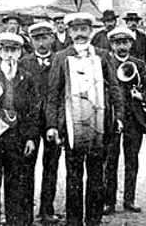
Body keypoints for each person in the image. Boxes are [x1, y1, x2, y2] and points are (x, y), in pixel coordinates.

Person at [46, 12, 124, 226]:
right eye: (76, 29)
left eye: (84, 29)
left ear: (91, 31)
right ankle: (74, 221)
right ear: (70, 32)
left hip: (99, 125)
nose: (80, 34)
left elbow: (115, 88)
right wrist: (53, 125)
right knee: (73, 177)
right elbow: (53, 94)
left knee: (97, 176)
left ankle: (93, 221)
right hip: (72, 126)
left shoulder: (103, 55)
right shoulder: (61, 57)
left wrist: (118, 116)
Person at [0, 32, 38, 226]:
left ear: (20, 53)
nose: (10, 54)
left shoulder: (26, 77)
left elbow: (33, 110)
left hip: (17, 137)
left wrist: (30, 138)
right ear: (0, 51)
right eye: (6, 50)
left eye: (14, 50)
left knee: (15, 184)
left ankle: (14, 221)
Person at [104, 26, 146, 215]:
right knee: (111, 161)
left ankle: (129, 200)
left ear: (131, 43)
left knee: (132, 160)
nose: (121, 46)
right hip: (113, 117)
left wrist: (141, 95)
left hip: (134, 118)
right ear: (112, 44)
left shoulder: (139, 64)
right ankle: (109, 201)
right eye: (117, 43)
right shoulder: (106, 62)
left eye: (125, 42)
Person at [20, 21, 62, 223]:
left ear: (52, 38)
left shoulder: (60, 61)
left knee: (51, 166)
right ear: (31, 41)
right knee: (26, 167)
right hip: (29, 123)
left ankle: (47, 210)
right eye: (37, 39)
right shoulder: (24, 63)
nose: (41, 43)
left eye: (45, 38)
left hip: (53, 121)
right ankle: (26, 211)